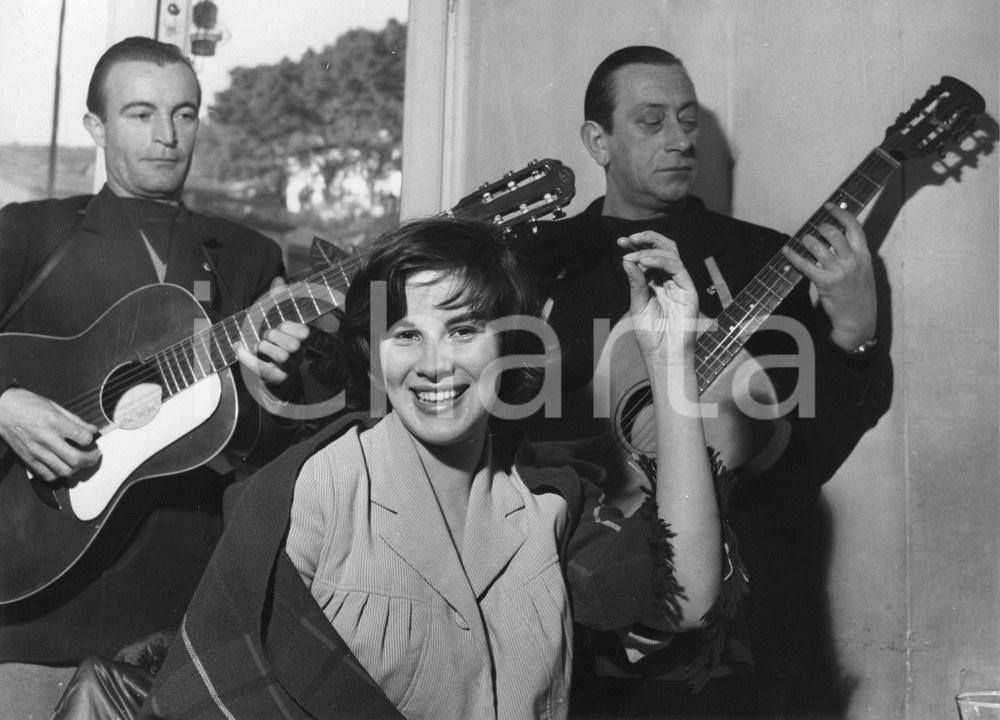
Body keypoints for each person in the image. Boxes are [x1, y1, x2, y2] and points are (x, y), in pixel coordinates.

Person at [88, 214, 730, 720]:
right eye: (405, 334)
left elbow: (687, 600)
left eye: (463, 330)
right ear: (371, 351)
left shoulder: (550, 504)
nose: (433, 364)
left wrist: (668, 359)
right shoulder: (308, 494)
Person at [516, 46, 889, 717]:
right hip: (575, 614)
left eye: (688, 121)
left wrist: (854, 334)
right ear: (597, 142)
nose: (681, 140)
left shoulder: (760, 258)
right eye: (651, 121)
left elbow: (805, 453)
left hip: (733, 637)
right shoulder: (539, 265)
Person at [0, 36, 309, 709]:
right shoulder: (27, 234)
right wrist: (5, 404)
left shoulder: (250, 259)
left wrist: (275, 385)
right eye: (141, 114)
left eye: (184, 114)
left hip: (178, 620)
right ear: (96, 127)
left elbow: (270, 449)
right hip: (30, 606)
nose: (167, 136)